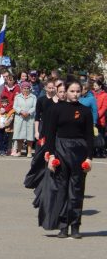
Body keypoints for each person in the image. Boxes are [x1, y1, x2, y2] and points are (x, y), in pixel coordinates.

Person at [38, 80, 93, 239]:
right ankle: (63, 226)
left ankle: (75, 226)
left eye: (78, 91)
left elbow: (89, 136)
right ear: (65, 91)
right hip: (60, 150)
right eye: (72, 91)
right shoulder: (56, 109)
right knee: (61, 190)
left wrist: (89, 158)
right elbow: (50, 133)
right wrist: (51, 155)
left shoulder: (85, 111)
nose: (75, 94)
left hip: (79, 151)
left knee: (76, 190)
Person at [12, 81, 36, 157]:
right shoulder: (17, 96)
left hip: (29, 118)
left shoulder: (33, 97)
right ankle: (19, 151)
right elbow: (15, 106)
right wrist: (21, 112)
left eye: (27, 88)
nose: (26, 90)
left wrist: (28, 113)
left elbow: (34, 107)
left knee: (30, 135)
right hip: (20, 118)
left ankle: (29, 152)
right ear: (21, 89)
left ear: (30, 89)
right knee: (19, 136)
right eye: (24, 88)